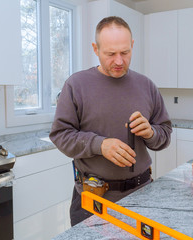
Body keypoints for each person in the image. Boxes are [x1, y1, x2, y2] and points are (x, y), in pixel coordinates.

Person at [49, 16, 172, 226]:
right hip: (92, 200)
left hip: (142, 196)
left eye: (125, 52)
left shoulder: (147, 86)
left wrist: (151, 133)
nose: (118, 61)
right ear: (95, 49)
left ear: (132, 45)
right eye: (110, 54)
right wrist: (100, 144)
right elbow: (61, 135)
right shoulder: (76, 85)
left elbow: (165, 134)